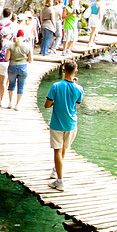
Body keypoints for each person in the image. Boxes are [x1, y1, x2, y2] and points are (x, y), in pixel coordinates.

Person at [45, 59, 83, 191]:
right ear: (76, 72)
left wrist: (56, 103)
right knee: (63, 149)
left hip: (57, 123)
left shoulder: (56, 86)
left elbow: (47, 105)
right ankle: (56, 170)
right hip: (71, 124)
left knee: (57, 150)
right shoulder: (79, 89)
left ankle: (59, 181)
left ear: (63, 70)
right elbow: (76, 105)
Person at [5, 29, 33, 110]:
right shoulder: (28, 46)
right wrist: (25, 60)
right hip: (23, 67)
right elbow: (30, 59)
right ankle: (17, 104)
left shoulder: (11, 46)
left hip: (12, 67)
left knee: (11, 85)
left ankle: (10, 102)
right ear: (23, 37)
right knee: (20, 87)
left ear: (16, 36)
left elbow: (7, 58)